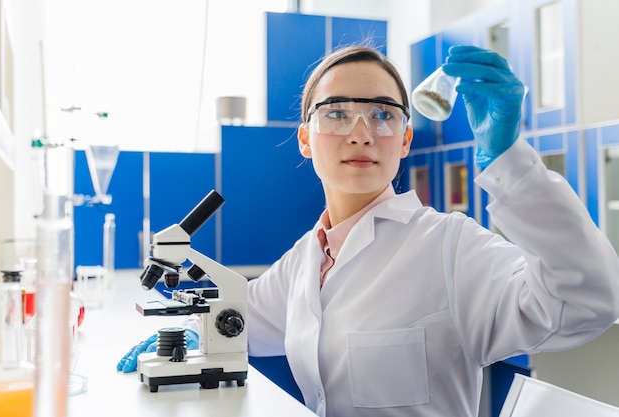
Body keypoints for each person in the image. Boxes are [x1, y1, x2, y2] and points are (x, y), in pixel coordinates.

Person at [118, 44, 619, 417]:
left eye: (381, 114)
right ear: (305, 141)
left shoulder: (451, 246)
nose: (360, 131)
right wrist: (189, 330)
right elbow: (244, 317)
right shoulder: (305, 259)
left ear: (403, 141)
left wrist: (510, 162)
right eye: (336, 113)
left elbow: (588, 300)